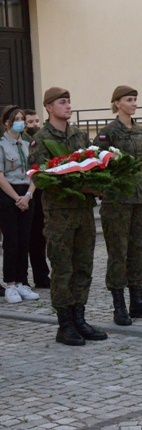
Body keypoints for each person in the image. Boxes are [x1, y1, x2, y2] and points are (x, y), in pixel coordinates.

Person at [29, 87, 107, 345]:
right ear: (49, 107)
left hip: (83, 211)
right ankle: (64, 325)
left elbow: (89, 165)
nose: (68, 106)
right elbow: (40, 177)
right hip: (60, 215)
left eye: (69, 101)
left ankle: (79, 318)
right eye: (62, 102)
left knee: (83, 266)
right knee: (63, 268)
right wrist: (75, 186)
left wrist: (97, 184)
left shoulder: (79, 135)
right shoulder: (40, 139)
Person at [93, 85, 142, 325]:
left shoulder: (139, 130)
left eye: (135, 99)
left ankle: (137, 301)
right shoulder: (108, 132)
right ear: (117, 103)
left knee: (139, 250)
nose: (134, 103)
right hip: (117, 200)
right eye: (129, 100)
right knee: (118, 253)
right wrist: (105, 190)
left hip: (139, 197)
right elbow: (96, 163)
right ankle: (119, 306)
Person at [0, 106, 39, 303]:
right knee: (12, 242)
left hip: (26, 194)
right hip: (8, 195)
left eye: (22, 119)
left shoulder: (26, 145)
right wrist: (16, 198)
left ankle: (23, 282)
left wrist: (29, 196)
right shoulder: (1, 145)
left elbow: (34, 172)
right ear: (7, 122)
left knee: (25, 241)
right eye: (16, 119)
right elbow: (0, 175)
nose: (20, 122)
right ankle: (11, 284)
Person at [23, 108, 50, 289]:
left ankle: (41, 276)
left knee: (39, 238)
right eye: (31, 122)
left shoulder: (40, 140)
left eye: (37, 121)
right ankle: (21, 277)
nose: (35, 125)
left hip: (39, 192)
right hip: (22, 191)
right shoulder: (22, 141)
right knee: (23, 238)